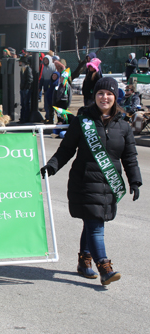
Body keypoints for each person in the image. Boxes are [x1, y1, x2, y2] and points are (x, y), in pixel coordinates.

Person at [41, 77, 142, 286]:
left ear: (115, 97)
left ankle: (83, 260)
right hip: (85, 181)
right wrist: (52, 166)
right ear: (94, 96)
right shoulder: (82, 121)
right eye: (100, 94)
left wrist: (135, 181)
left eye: (109, 94)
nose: (104, 98)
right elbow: (66, 149)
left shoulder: (123, 126)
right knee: (96, 224)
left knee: (93, 222)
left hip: (109, 183)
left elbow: (130, 157)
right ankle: (104, 267)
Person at [19, 56, 33, 123]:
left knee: (26, 104)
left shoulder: (28, 69)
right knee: (23, 104)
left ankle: (25, 118)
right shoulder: (22, 69)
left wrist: (26, 87)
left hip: (26, 89)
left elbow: (30, 80)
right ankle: (22, 118)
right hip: (23, 89)